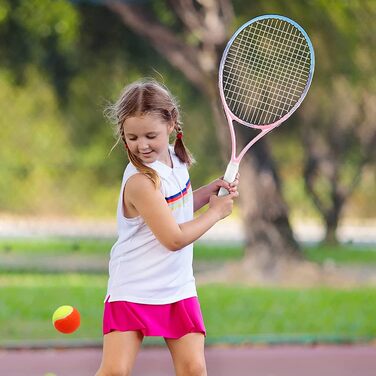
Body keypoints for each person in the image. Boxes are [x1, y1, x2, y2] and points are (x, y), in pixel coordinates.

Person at [95, 80, 239, 376]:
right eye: (132, 136)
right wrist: (214, 214)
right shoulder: (139, 182)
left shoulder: (175, 158)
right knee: (115, 372)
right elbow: (173, 238)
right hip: (134, 287)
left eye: (151, 135)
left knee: (193, 369)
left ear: (171, 123)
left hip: (176, 285)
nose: (142, 145)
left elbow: (177, 205)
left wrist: (206, 193)